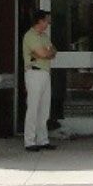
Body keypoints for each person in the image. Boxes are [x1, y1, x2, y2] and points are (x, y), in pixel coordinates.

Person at [21, 9, 57, 152]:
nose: (48, 23)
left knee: (44, 109)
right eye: (46, 20)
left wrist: (47, 53)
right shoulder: (30, 36)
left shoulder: (44, 36)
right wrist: (46, 53)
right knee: (33, 107)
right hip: (34, 73)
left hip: (45, 73)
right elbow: (43, 53)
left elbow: (53, 51)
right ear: (40, 21)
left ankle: (43, 140)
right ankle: (29, 141)